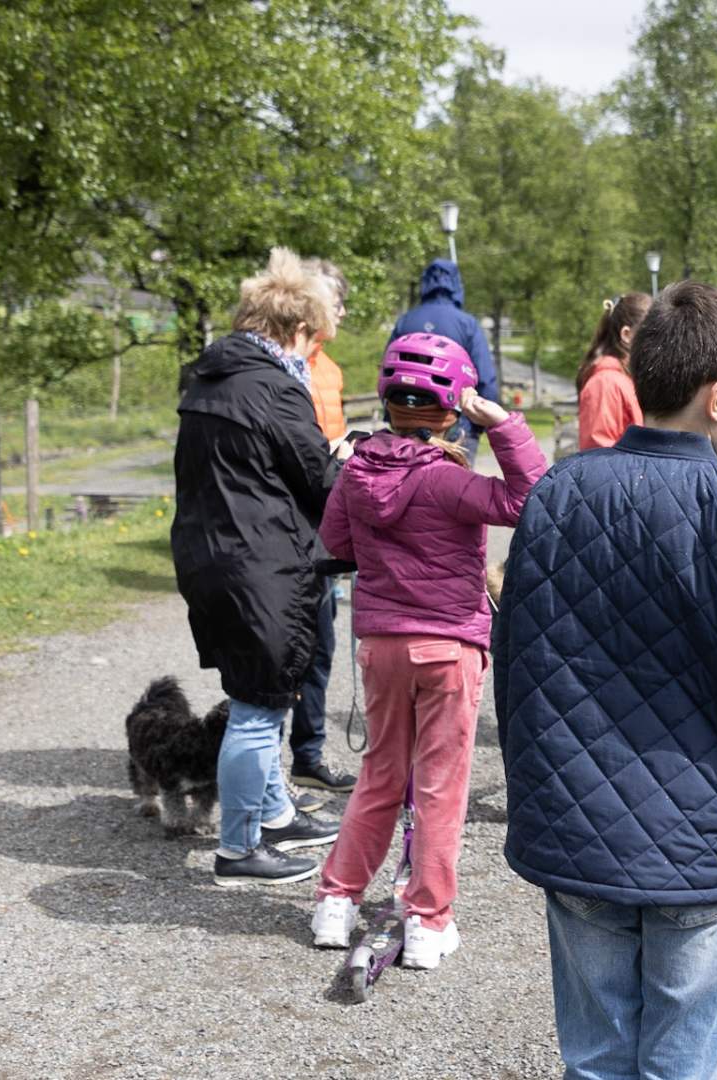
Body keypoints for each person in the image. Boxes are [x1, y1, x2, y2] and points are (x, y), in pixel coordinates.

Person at [493, 281, 717, 1080]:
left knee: (596, 1060)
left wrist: (541, 806)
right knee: (683, 1065)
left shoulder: (558, 494)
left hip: (578, 832)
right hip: (704, 853)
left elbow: (516, 673)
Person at [309, 332, 547, 968]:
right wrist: (504, 425)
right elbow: (532, 499)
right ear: (453, 409)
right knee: (440, 787)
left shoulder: (358, 470)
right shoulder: (448, 481)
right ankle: (426, 921)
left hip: (382, 646)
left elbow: (336, 543)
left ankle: (336, 901)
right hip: (448, 647)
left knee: (380, 775)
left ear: (386, 400)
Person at [171, 247, 345, 887]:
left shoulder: (209, 379)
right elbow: (319, 480)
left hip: (211, 554)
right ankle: (240, 847)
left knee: (257, 693)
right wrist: (351, 463)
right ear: (295, 327)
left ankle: (274, 813)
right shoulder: (275, 388)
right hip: (258, 562)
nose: (313, 347)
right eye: (312, 335)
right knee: (257, 708)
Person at [290, 257, 358, 802]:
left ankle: (307, 755)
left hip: (323, 521)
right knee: (287, 645)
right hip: (287, 524)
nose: (342, 312)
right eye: (336, 301)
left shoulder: (329, 369)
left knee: (321, 642)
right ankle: (270, 764)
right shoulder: (285, 368)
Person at [389, 259, 502, 451]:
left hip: (405, 422)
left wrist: (391, 414)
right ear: (456, 284)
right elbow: (484, 377)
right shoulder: (466, 324)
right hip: (454, 424)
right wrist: (478, 425)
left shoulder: (405, 321)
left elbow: (389, 367)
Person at [575, 293, 649, 450]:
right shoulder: (605, 384)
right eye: (650, 333)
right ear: (627, 334)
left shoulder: (626, 378)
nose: (657, 341)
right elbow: (598, 452)